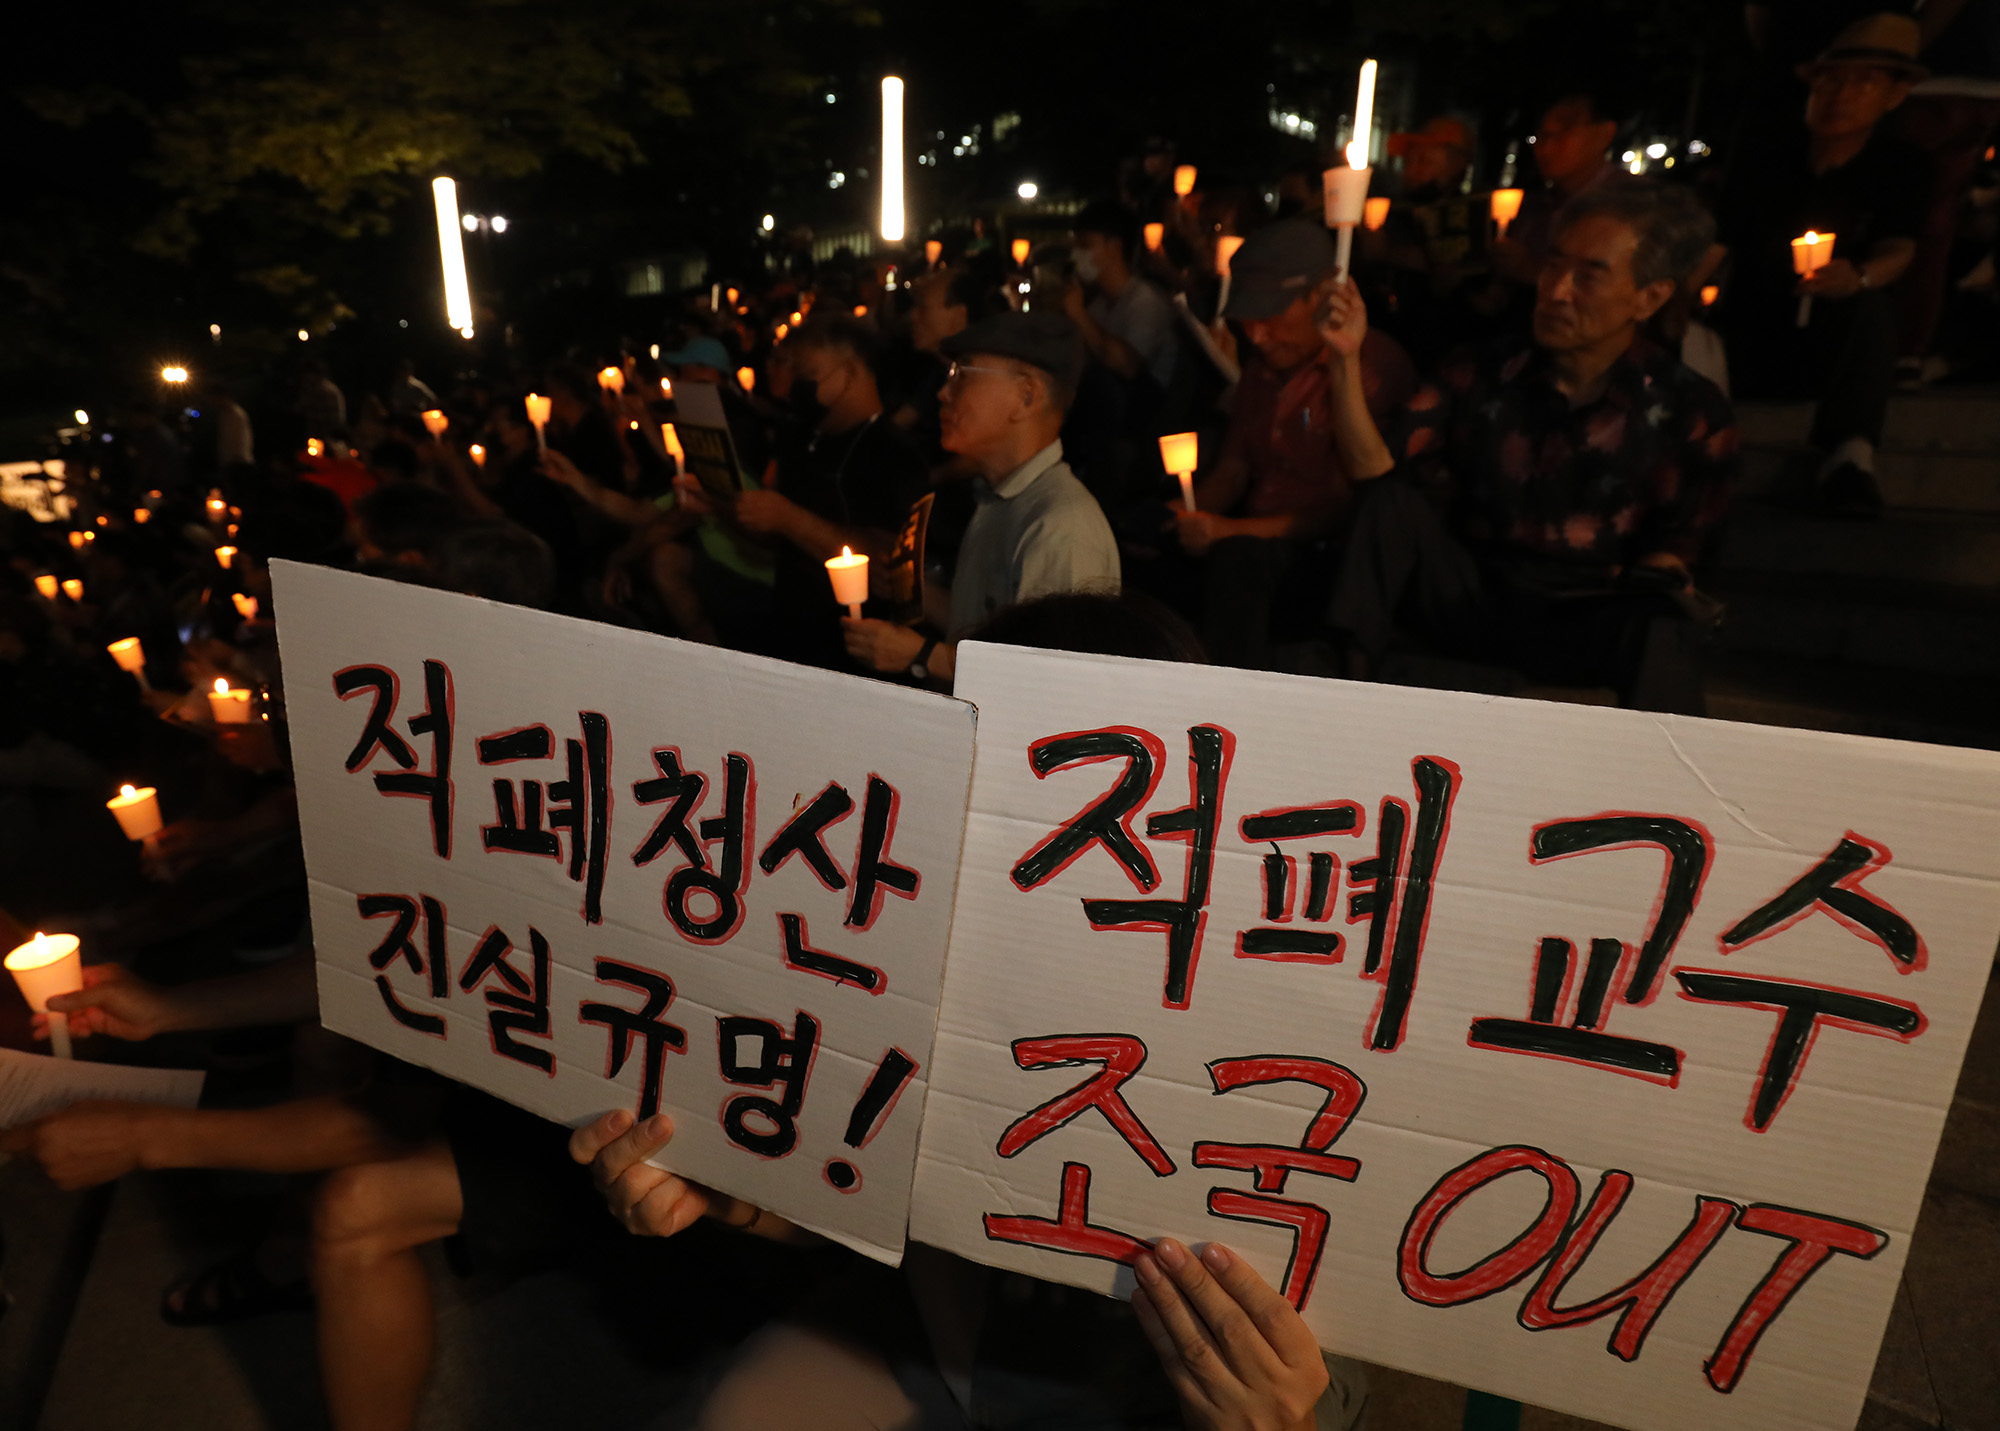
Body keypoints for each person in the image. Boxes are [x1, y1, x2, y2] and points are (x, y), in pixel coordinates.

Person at [1325, 183, 1736, 714]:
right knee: (1390, 506)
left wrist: (1662, 570)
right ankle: (1335, 700)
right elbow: (1376, 471)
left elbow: (1683, 550)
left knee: (1661, 620)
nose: (1557, 290)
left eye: (1589, 274)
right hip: (1474, 597)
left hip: (1589, 612)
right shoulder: (1481, 369)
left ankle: (1661, 789)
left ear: (1649, 296)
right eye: (1552, 266)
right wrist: (1343, 360)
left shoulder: (1689, 407)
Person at [1168, 218, 1417, 668]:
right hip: (1252, 537)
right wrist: (1185, 516)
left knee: (1238, 563)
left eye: (1272, 319)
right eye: (1248, 324)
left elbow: (1347, 509)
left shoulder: (1370, 367)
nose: (1258, 337)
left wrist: (1228, 532)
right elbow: (1233, 468)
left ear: (1322, 297)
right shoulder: (1261, 372)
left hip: (1328, 561)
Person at [1710, 12, 1930, 516]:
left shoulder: (1901, 167)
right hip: (1754, 322)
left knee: (1871, 310)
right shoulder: (1767, 161)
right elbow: (1717, 244)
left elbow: (1902, 247)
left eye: (1863, 82)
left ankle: (1849, 457)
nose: (1841, 95)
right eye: (1830, 81)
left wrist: (1858, 277)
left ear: (1892, 97)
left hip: (1832, 332)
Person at [842, 311, 1121, 685]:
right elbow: (989, 628)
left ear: (1026, 396)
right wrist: (915, 592)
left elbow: (1051, 683)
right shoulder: (998, 498)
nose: (943, 392)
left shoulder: (1059, 526)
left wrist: (925, 655)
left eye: (963, 374)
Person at [728, 315, 929, 668]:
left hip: (855, 656)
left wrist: (789, 518)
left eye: (809, 375)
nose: (797, 386)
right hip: (793, 636)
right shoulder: (801, 438)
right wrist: (726, 508)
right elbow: (775, 539)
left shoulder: (892, 453)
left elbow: (889, 564)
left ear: (849, 374)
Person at [1493, 93, 1625, 289]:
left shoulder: (1632, 204)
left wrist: (1534, 271)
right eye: (1542, 134)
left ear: (1605, 134)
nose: (1546, 145)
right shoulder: (1533, 207)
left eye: (1564, 130)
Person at [1064, 198, 1180, 394]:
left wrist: (1077, 314)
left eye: (1084, 244)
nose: (1075, 255)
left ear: (1115, 247)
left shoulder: (1146, 301)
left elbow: (1128, 367)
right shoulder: (1099, 305)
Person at [298, 362, 349, 444]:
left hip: (328, 434)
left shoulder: (326, 390)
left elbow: (332, 418)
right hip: (315, 433)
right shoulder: (310, 388)